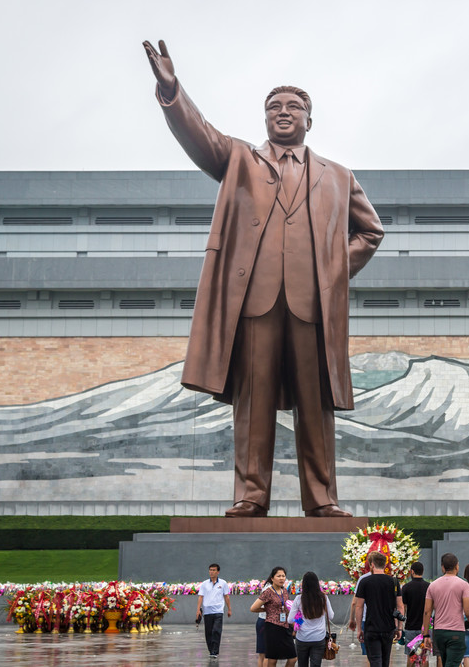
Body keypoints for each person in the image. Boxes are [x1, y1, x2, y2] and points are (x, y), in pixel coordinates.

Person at [142, 39, 385, 519]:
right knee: (252, 406)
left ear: (309, 120)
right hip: (254, 303)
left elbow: (371, 232)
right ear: (264, 118)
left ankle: (322, 498)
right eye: (274, 106)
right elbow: (199, 135)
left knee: (316, 406)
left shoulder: (337, 175)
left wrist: (332, 272)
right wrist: (172, 91)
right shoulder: (239, 160)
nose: (283, 112)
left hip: (311, 306)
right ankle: (251, 495)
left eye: (294, 106)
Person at [351, 552, 405, 667]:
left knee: (375, 661)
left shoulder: (365, 582)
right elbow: (400, 606)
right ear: (385, 565)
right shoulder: (394, 582)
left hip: (371, 627)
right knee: (385, 661)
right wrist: (399, 628)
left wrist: (359, 628)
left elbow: (359, 606)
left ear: (372, 565)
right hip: (388, 627)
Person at [422, 553, 469, 667]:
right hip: (456, 631)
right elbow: (467, 610)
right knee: (452, 663)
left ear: (443, 567)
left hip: (439, 631)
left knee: (445, 662)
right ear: (457, 566)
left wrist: (426, 634)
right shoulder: (463, 585)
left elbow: (427, 611)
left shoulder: (433, 585)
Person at [251, 566, 300, 667]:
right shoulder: (268, 592)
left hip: (286, 627)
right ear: (272, 578)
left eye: (283, 576)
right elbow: (253, 608)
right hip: (272, 627)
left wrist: (295, 624)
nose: (282, 578)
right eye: (279, 576)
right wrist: (267, 609)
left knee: (293, 658)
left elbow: (286, 608)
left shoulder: (285, 591)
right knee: (273, 660)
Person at [292, 571, 336, 667]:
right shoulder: (323, 598)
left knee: (302, 664)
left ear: (304, 584)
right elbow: (331, 616)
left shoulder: (299, 599)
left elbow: (290, 619)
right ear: (317, 584)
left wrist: (299, 617)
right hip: (318, 638)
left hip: (302, 638)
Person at [196, 563, 232, 659]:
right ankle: (211, 650)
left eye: (213, 570)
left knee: (216, 630)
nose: (211, 572)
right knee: (208, 632)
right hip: (207, 611)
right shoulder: (204, 584)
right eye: (210, 570)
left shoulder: (223, 583)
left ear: (218, 572)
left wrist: (229, 609)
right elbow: (200, 597)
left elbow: (226, 596)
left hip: (218, 611)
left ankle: (215, 651)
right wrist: (198, 610)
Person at [402, 562, 431, 656]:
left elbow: (403, 608)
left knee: (411, 656)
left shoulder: (406, 587)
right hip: (425, 627)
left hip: (410, 626)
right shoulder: (429, 587)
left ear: (412, 572)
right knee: (424, 656)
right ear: (422, 571)